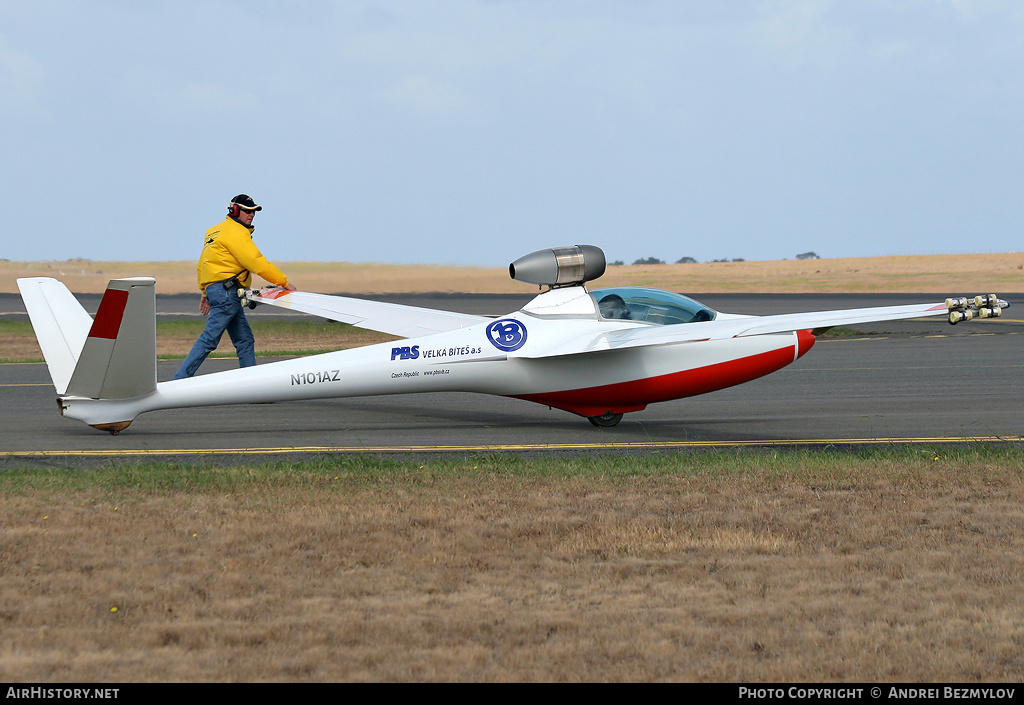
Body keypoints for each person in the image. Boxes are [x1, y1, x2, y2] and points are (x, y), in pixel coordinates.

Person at [174, 194, 296, 380]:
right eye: (247, 211)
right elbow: (256, 263)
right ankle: (180, 379)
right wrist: (284, 283)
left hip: (221, 291)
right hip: (227, 293)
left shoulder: (214, 231)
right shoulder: (237, 233)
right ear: (235, 210)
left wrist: (205, 292)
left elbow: (203, 264)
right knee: (210, 339)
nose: (252, 215)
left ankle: (251, 387)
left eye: (254, 212)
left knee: (244, 340)